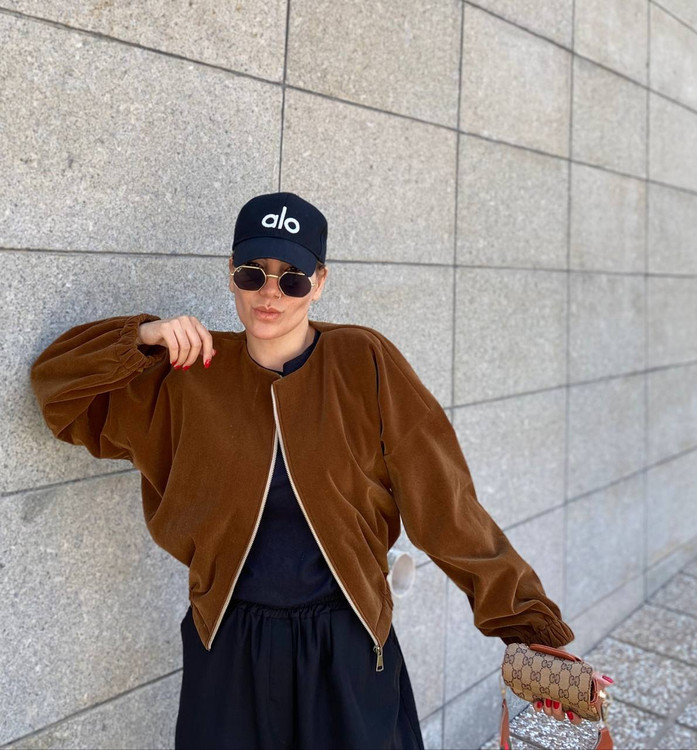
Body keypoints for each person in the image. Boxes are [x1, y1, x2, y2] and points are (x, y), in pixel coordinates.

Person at [29, 191, 608, 750]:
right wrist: (139, 337)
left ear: (320, 282)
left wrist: (530, 630)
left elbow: (446, 505)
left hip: (347, 641)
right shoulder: (189, 376)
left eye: (293, 279)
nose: (270, 293)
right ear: (230, 273)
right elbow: (57, 391)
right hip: (228, 642)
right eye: (253, 273)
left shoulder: (363, 361)